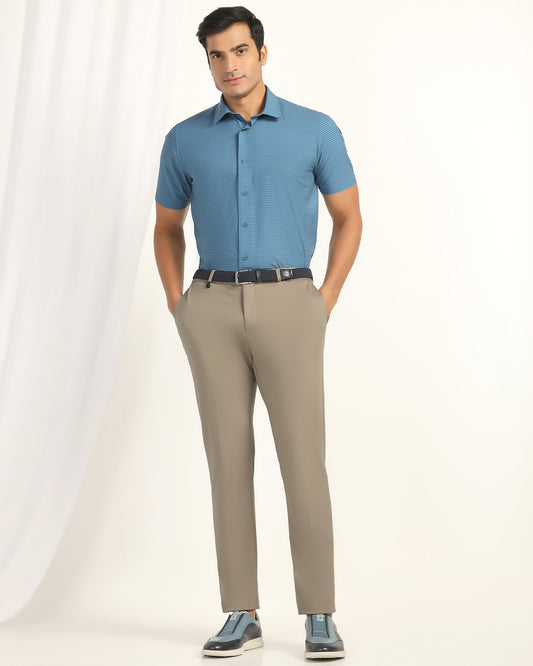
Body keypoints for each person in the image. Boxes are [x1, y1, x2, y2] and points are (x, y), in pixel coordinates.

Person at [154, 5, 362, 660]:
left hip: (291, 302)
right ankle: (240, 611)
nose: (229, 65)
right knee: (227, 461)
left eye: (239, 50)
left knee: (303, 461)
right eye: (216, 55)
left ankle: (319, 613)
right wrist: (179, 303)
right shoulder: (185, 139)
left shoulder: (314, 130)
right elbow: (166, 227)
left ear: (262, 53)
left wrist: (323, 300)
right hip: (211, 307)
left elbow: (349, 217)